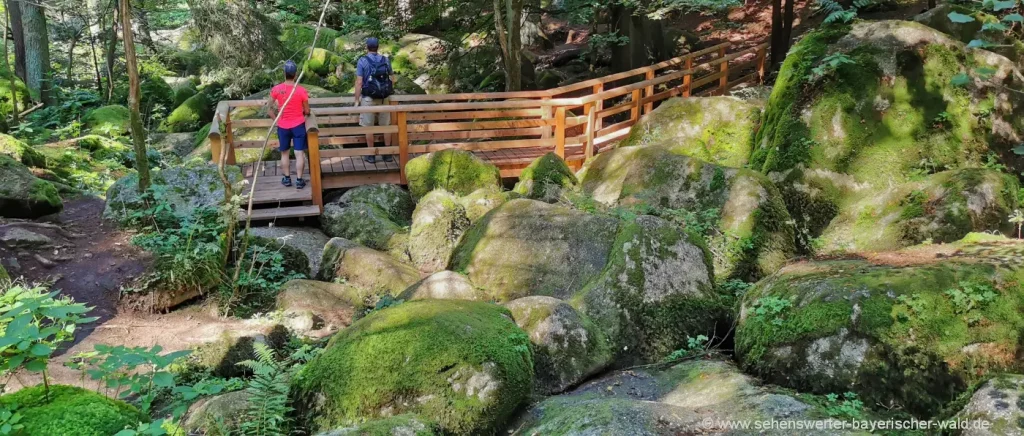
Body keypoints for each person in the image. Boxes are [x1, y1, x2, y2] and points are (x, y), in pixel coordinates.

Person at [268, 60, 311, 189]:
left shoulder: (276, 89)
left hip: (283, 126)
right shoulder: (301, 90)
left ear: (284, 73)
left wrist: (277, 120)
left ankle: (287, 178)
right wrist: (305, 112)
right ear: (295, 74)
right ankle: (299, 180)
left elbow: (268, 109)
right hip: (298, 124)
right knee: (299, 153)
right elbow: (307, 110)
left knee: (285, 153)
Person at [354, 37, 396, 164]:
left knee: (368, 126)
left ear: (367, 47)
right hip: (384, 98)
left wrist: (357, 100)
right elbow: (393, 78)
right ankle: (387, 154)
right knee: (386, 126)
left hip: (368, 98)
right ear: (378, 47)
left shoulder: (362, 61)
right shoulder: (386, 60)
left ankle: (371, 155)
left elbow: (359, 82)